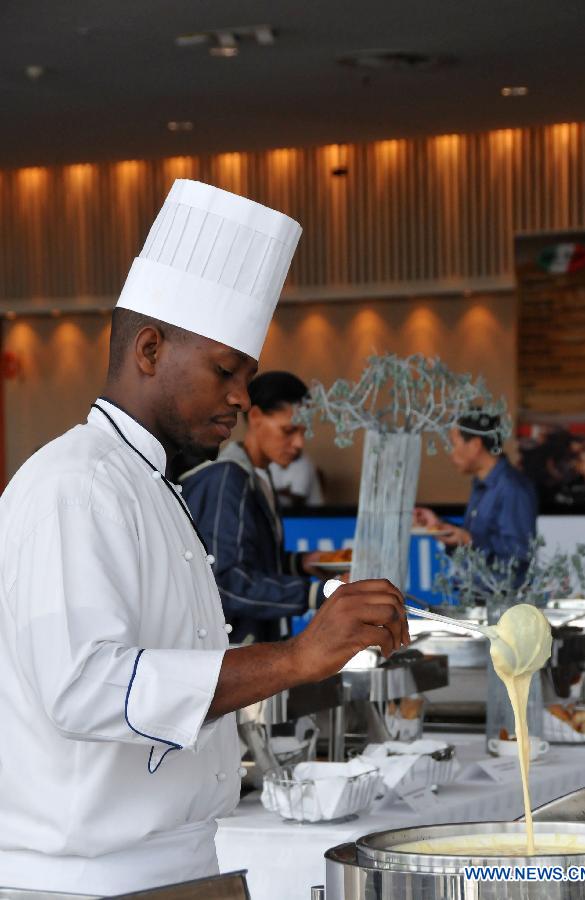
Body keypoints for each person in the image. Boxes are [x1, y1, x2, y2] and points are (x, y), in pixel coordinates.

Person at [0, 179, 408, 896]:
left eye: (245, 378)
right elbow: (87, 688)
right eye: (226, 371)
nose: (240, 399)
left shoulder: (154, 485)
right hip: (86, 881)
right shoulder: (74, 482)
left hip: (181, 863)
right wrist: (295, 657)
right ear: (150, 349)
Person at [180, 371, 324, 645]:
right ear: (255, 417)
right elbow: (224, 581)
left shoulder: (258, 477)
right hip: (232, 653)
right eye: (289, 430)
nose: (299, 444)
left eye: (303, 432)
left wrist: (301, 563)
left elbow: (251, 561)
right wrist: (314, 594)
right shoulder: (228, 478)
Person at [414, 411, 537, 566]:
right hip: (477, 587)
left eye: (453, 444)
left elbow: (520, 552)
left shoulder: (512, 487)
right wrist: (438, 524)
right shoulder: (483, 483)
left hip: (498, 589)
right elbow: (477, 537)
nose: (450, 453)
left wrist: (468, 540)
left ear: (475, 445)